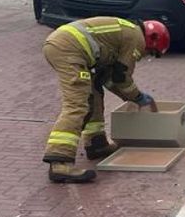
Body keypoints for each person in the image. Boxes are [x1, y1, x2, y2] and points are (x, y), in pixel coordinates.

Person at [42, 17, 170, 183]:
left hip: (66, 45)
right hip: (69, 49)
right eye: (151, 52)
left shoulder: (127, 31)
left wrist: (131, 96)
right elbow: (121, 77)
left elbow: (109, 79)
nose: (146, 55)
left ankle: (97, 144)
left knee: (94, 94)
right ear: (152, 38)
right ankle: (59, 162)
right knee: (77, 105)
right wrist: (138, 97)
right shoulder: (137, 38)